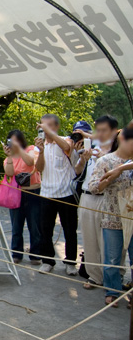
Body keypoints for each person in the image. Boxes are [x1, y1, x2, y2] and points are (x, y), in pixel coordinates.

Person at [88, 127, 133, 308]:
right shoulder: (105, 160)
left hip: (132, 216)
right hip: (113, 216)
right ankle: (112, 291)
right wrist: (108, 180)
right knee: (112, 258)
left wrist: (122, 168)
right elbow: (93, 187)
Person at [74, 116, 118, 289]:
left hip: (106, 198)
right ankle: (94, 276)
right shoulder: (89, 147)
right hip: (87, 196)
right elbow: (77, 171)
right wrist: (83, 159)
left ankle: (113, 279)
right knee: (89, 238)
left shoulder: (118, 149)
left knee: (108, 241)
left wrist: (103, 158)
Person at [35, 114, 79, 275]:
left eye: (47, 126)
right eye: (42, 126)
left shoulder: (66, 140)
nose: (44, 130)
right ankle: (47, 261)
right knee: (45, 229)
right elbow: (39, 169)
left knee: (70, 230)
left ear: (56, 127)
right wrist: (40, 151)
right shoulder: (39, 145)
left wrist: (50, 133)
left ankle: (70, 262)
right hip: (46, 193)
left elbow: (68, 149)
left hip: (66, 193)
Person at [2, 129, 42, 265]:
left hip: (33, 192)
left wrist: (19, 149)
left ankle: (35, 254)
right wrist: (9, 157)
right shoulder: (8, 157)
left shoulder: (31, 149)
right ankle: (16, 253)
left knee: (34, 225)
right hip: (16, 194)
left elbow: (30, 162)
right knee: (16, 226)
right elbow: (9, 174)